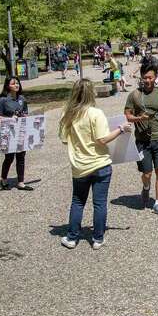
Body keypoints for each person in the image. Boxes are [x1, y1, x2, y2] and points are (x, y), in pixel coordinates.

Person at [58, 79, 133, 250]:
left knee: (77, 202)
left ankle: (72, 237)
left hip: (80, 166)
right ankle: (98, 238)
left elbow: (64, 140)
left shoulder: (67, 114)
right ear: (91, 93)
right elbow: (102, 139)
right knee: (99, 203)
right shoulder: (95, 113)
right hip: (100, 164)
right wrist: (121, 129)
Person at [125, 61, 158, 216]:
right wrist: (139, 118)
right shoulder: (134, 95)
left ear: (155, 77)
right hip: (142, 141)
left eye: (150, 78)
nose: (147, 81)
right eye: (144, 77)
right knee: (147, 173)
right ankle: (146, 187)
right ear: (141, 77)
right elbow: (127, 116)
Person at [0, 77, 34, 190]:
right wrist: (10, 119)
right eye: (13, 83)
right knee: (9, 157)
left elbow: (25, 112)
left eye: (17, 83)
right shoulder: (2, 100)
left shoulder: (22, 99)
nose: (16, 85)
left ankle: (21, 182)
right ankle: (4, 179)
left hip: (21, 131)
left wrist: (25, 116)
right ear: (8, 86)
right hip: (8, 131)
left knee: (21, 156)